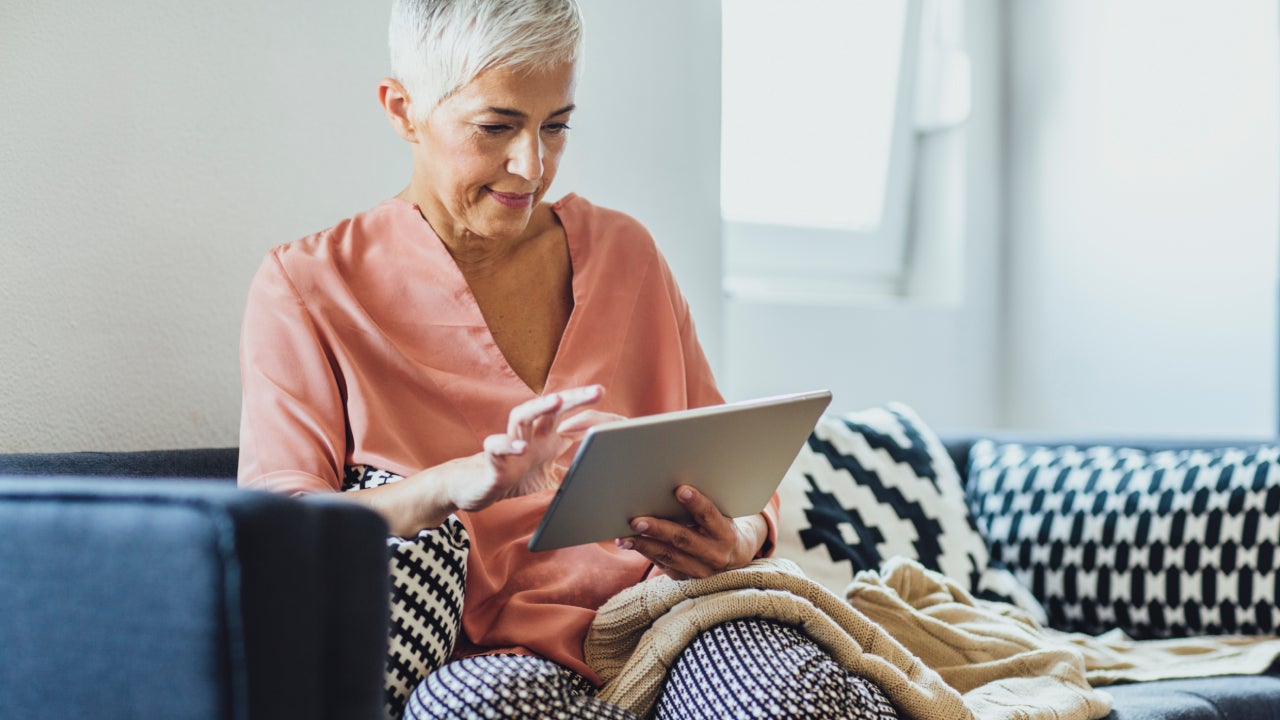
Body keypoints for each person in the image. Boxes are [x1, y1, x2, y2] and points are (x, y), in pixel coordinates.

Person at [238, 1, 900, 718]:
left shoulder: (627, 254)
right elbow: (277, 531)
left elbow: (735, 468)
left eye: (556, 126)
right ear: (403, 110)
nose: (531, 165)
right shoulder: (309, 288)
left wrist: (737, 535)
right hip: (496, 660)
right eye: (496, 127)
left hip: (679, 614)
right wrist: (455, 483)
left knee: (795, 699)